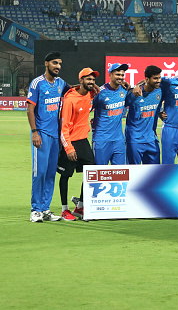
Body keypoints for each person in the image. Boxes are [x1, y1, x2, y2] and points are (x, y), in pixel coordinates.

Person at [26, 52, 69, 222]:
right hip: (41, 134)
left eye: (59, 63)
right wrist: (34, 132)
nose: (58, 66)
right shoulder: (37, 83)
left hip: (55, 136)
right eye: (54, 63)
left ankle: (46, 209)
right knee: (40, 172)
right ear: (46, 64)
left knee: (51, 173)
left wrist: (90, 86)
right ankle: (35, 210)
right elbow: (30, 109)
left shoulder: (60, 83)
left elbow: (73, 90)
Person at [57, 68, 98, 221]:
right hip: (70, 141)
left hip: (83, 140)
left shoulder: (90, 94)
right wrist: (68, 148)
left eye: (93, 80)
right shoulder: (69, 100)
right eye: (88, 79)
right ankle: (64, 209)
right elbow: (64, 127)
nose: (92, 82)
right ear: (81, 80)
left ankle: (80, 206)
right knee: (66, 175)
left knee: (90, 171)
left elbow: (93, 91)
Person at [125, 65, 162, 165]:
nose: (158, 80)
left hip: (151, 139)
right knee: (133, 173)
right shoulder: (134, 94)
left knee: (154, 174)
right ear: (147, 79)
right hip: (134, 139)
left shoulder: (160, 90)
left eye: (159, 78)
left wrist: (160, 113)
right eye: (155, 78)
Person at [92, 63, 128, 165]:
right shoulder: (100, 92)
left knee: (120, 175)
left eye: (122, 75)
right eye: (117, 74)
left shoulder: (124, 90)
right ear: (110, 74)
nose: (120, 77)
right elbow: (87, 109)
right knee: (99, 174)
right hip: (101, 139)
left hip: (118, 141)